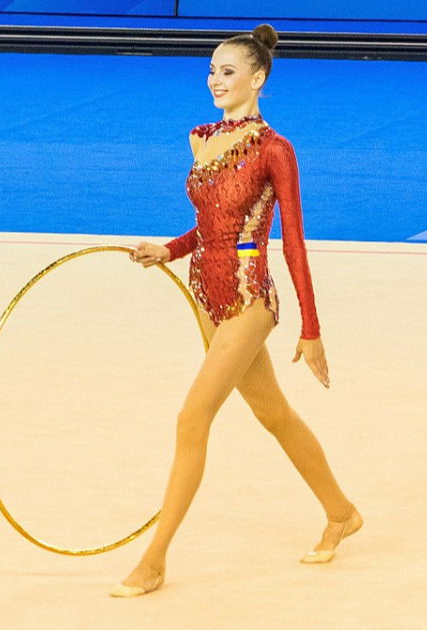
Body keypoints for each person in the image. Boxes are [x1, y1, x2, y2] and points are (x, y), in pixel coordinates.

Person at [111, 24, 362, 597]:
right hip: (205, 293)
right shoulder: (200, 138)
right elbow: (208, 227)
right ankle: (342, 512)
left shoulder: (275, 149)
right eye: (211, 70)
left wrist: (312, 328)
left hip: (250, 298)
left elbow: (293, 242)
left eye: (229, 71)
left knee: (191, 418)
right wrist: (168, 250)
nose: (216, 80)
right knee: (273, 414)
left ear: (259, 77)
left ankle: (153, 561)